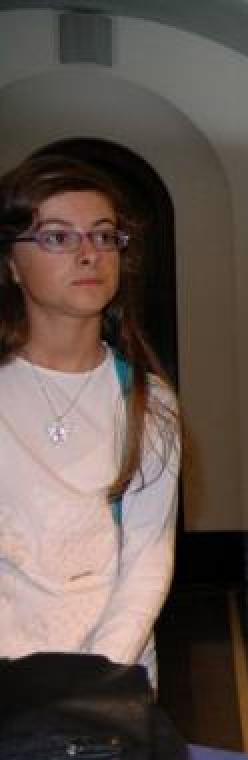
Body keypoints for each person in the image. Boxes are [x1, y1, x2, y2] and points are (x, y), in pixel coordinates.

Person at [0, 154, 181, 686]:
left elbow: (147, 559)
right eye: (58, 237)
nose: (89, 254)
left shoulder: (148, 400)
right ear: (12, 263)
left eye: (103, 236)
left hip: (112, 675)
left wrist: (100, 673)